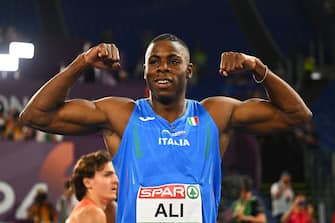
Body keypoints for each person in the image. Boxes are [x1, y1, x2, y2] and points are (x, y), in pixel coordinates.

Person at [19, 33, 312, 223]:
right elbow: (36, 115)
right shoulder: (121, 114)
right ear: (145, 70)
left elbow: (297, 115)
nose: (162, 68)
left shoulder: (216, 113)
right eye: (154, 62)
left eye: (173, 61)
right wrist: (82, 63)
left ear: (189, 70)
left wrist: (258, 67)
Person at [66, 150, 118, 223]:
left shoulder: (91, 210)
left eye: (115, 175)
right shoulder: (92, 213)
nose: (116, 180)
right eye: (107, 175)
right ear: (87, 183)